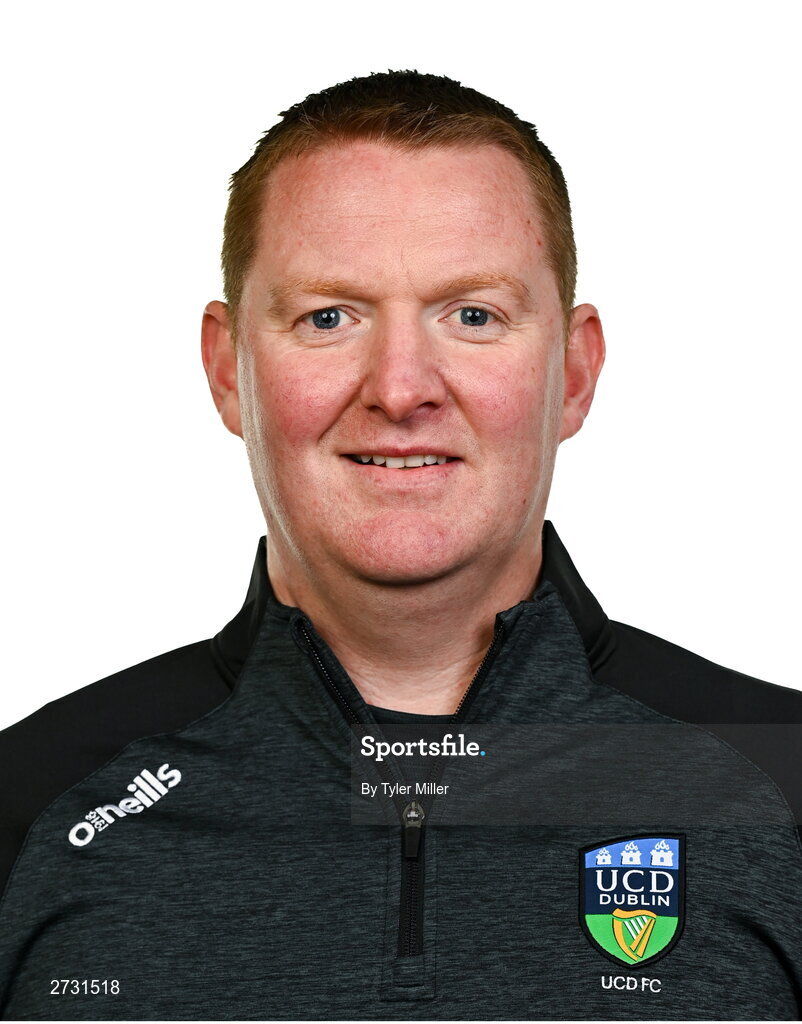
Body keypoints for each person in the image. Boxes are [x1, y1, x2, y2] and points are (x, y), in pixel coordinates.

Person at [1, 69, 800, 1021]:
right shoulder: (32, 802)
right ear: (227, 371)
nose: (401, 387)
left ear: (576, 373)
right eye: (328, 317)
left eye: (473, 316)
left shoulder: (780, 780)